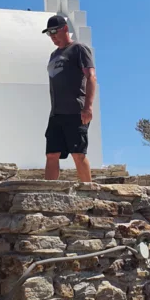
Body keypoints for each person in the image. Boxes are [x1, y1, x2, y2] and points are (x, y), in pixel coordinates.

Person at [42, 14, 96, 183]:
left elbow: (91, 77)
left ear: (65, 29)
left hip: (76, 111)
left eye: (55, 32)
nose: (52, 36)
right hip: (56, 113)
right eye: (49, 33)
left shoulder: (79, 49)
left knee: (78, 154)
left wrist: (88, 107)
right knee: (51, 154)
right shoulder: (53, 55)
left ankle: (89, 193)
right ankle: (49, 194)